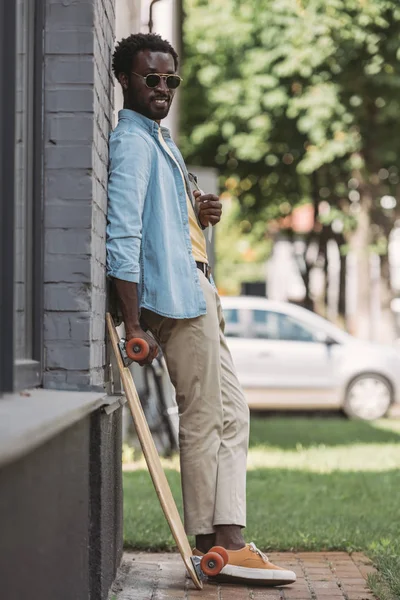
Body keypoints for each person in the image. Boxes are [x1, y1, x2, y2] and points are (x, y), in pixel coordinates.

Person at [106, 32, 296, 586]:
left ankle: (224, 538)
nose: (162, 89)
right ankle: (220, 547)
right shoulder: (134, 143)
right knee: (206, 416)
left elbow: (168, 219)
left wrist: (200, 211)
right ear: (123, 80)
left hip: (196, 291)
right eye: (151, 79)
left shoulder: (161, 141)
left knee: (234, 414)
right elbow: (123, 234)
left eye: (171, 80)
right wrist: (134, 321)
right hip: (173, 299)